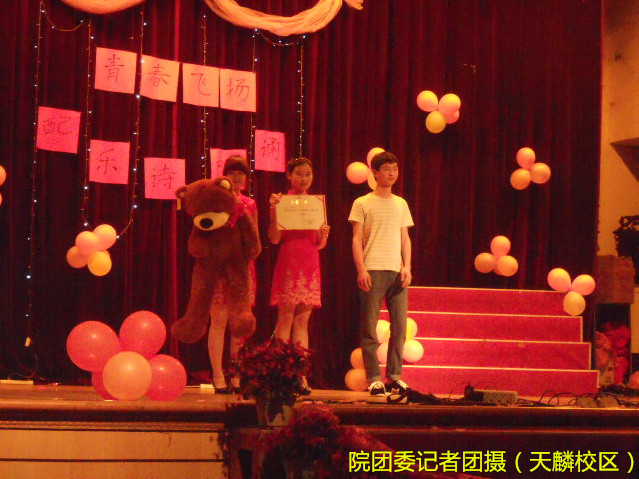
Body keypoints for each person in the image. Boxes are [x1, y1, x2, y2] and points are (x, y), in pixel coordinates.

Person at [348, 151, 414, 396]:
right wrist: (361, 268)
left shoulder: (401, 203)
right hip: (373, 269)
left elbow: (405, 238)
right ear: (375, 173)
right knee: (369, 326)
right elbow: (356, 239)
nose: (391, 173)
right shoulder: (362, 202)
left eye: (394, 169)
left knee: (400, 326)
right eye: (386, 169)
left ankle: (395, 377)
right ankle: (374, 378)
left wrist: (407, 266)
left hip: (397, 271)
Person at [268, 157, 330, 395]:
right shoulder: (281, 202)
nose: (304, 179)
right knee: (285, 318)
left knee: (303, 321)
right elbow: (274, 239)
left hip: (310, 261)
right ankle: (281, 374)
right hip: (289, 259)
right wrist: (274, 212)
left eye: (308, 174)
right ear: (289, 176)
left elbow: (319, 244)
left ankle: (300, 376)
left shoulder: (316, 204)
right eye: (299, 174)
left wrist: (324, 234)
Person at [209, 155, 259, 394]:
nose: (237, 177)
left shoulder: (250, 203)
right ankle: (218, 375)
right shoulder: (215, 200)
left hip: (243, 268)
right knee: (218, 321)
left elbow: (254, 236)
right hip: (220, 268)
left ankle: (237, 376)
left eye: (241, 173)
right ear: (225, 175)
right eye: (232, 173)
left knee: (239, 324)